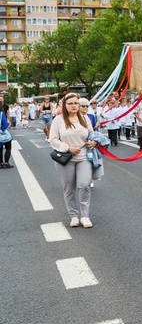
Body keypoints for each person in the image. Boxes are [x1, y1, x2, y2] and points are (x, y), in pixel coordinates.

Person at [49, 93, 101, 228]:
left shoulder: (84, 118)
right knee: (69, 188)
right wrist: (67, 148)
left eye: (75, 103)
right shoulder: (58, 120)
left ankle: (85, 216)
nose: (73, 106)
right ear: (64, 106)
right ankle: (73, 216)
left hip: (84, 157)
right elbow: (53, 139)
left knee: (84, 185)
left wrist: (95, 141)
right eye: (70, 103)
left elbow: (92, 134)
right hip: (65, 159)